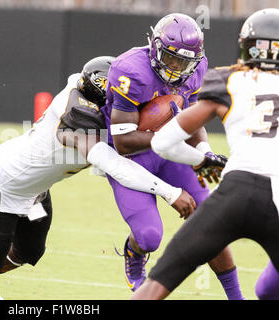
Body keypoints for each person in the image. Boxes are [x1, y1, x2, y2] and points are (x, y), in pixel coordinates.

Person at [0, 56, 199, 300]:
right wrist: (169, 192)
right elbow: (115, 165)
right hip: (2, 186)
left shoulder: (88, 91)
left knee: (30, 252)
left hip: (35, 192)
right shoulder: (79, 122)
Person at [130, 8, 279, 300]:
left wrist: (201, 159)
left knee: (158, 283)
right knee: (268, 290)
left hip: (233, 194)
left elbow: (162, 143)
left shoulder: (228, 81)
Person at [100, 13, 244, 299]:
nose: (178, 69)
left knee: (210, 222)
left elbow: (191, 119)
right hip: (131, 157)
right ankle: (134, 251)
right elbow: (124, 141)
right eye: (172, 59)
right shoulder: (130, 70)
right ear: (155, 47)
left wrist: (203, 153)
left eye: (184, 63)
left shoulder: (197, 66)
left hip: (169, 152)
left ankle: (236, 297)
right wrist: (170, 140)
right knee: (149, 237)